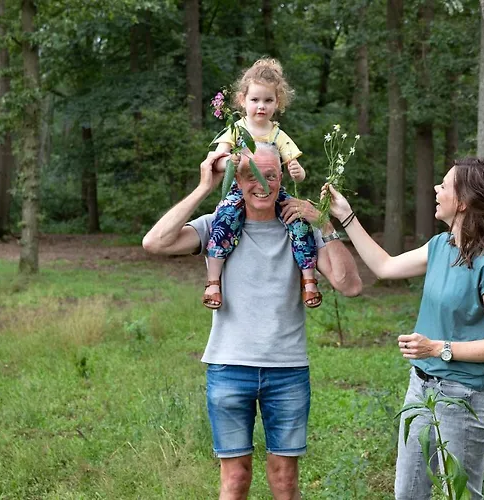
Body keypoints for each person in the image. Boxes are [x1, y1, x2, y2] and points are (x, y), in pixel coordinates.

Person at [142, 145, 362, 500]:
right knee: (235, 479)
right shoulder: (218, 224)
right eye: (251, 176)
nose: (262, 185)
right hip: (229, 367)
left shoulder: (300, 227)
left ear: (281, 177)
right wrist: (204, 187)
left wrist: (323, 221)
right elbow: (154, 242)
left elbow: (349, 285)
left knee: (285, 480)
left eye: (270, 176)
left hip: (287, 370)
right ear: (237, 180)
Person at [323, 157, 484, 500]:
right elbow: (385, 266)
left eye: (444, 185)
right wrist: (346, 216)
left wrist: (437, 348)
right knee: (408, 494)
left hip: (465, 397)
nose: (436, 189)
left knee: (461, 495)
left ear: (463, 202)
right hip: (421, 389)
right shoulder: (441, 246)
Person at [204, 58, 321, 310]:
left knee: (299, 220)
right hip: (240, 189)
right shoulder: (235, 130)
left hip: (272, 191)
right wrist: (230, 161)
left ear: (277, 103)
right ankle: (213, 281)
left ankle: (309, 278)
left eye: (268, 100)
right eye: (255, 99)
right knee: (223, 220)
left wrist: (297, 171)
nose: (261, 106)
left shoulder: (278, 134)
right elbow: (215, 161)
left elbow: (298, 172)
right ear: (242, 100)